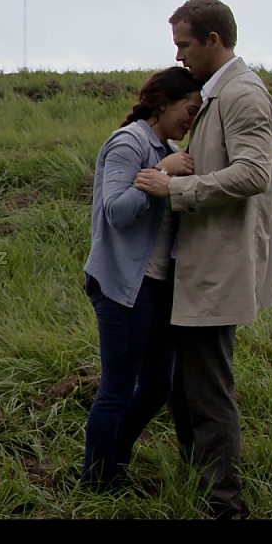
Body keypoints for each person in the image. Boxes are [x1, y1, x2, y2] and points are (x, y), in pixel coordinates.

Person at [136, 0, 272, 518]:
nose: (178, 56)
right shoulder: (221, 93)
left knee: (207, 387)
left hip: (219, 264)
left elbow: (256, 172)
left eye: (184, 44)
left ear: (214, 40)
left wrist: (177, 188)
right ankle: (201, 485)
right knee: (184, 384)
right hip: (201, 260)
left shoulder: (242, 93)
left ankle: (224, 504)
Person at [80, 66, 202, 492]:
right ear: (163, 104)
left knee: (155, 388)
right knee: (116, 390)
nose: (192, 120)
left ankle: (113, 458)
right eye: (190, 109)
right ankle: (97, 485)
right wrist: (162, 175)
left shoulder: (170, 149)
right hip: (123, 284)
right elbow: (116, 212)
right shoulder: (129, 142)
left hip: (159, 284)